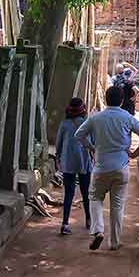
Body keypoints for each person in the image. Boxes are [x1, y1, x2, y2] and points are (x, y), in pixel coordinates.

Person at [75, 86, 139, 251]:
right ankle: (115, 242)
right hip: (121, 167)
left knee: (95, 197)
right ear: (122, 100)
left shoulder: (96, 118)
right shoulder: (127, 117)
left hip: (101, 167)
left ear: (107, 99)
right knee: (117, 205)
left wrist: (91, 147)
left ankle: (98, 230)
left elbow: (78, 135)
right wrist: (134, 154)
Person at [55, 97, 94, 235]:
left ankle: (65, 224)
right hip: (84, 161)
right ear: (83, 110)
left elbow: (58, 143)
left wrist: (58, 158)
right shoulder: (88, 123)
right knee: (86, 193)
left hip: (68, 162)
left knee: (69, 194)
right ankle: (89, 220)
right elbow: (93, 143)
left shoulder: (64, 124)